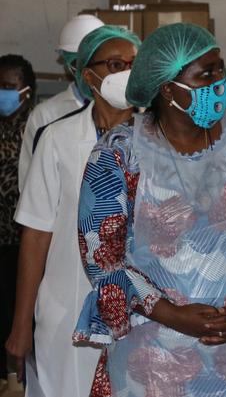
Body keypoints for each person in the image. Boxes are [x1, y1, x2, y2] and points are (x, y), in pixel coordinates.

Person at [73, 23, 226, 396]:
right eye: (205, 74)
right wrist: (170, 313)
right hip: (155, 352)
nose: (219, 82)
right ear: (166, 86)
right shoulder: (119, 154)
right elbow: (103, 259)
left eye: (220, 69)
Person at [5, 25, 140, 397]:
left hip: (142, 312)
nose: (126, 72)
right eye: (115, 64)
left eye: (134, 64)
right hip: (66, 309)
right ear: (88, 75)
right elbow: (35, 233)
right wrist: (21, 324)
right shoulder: (58, 139)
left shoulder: (158, 137)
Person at [18, 14, 104, 189]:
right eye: (77, 62)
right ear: (66, 64)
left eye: (92, 61)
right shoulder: (45, 115)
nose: (85, 70)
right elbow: (29, 185)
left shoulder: (127, 110)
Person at [0, 54, 35, 388]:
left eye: (9, 87)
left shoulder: (36, 131)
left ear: (26, 91)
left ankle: (16, 377)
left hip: (23, 242)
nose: (3, 93)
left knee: (16, 311)